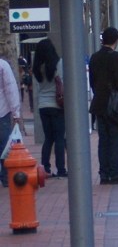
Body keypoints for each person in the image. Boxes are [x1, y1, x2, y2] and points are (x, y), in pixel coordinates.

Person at [89, 27, 118, 185]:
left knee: (103, 141)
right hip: (114, 106)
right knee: (117, 140)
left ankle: (104, 174)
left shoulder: (94, 57)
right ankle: (115, 172)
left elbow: (93, 82)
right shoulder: (115, 57)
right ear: (116, 41)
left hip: (99, 104)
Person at [32, 39, 67, 178]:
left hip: (43, 106)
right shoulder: (59, 64)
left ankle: (45, 168)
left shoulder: (37, 68)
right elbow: (64, 82)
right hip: (57, 105)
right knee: (59, 138)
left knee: (48, 138)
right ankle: (61, 170)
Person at [0, 58, 21, 187]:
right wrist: (15, 112)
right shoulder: (3, 65)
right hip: (2, 111)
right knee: (4, 146)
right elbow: (10, 89)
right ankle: (6, 177)